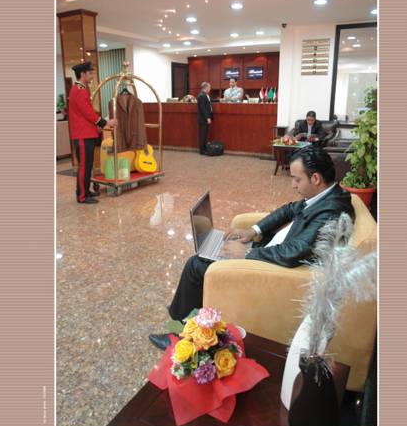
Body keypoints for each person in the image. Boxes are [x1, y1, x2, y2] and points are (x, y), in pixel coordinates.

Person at [149, 146, 355, 349]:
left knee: (196, 265)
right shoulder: (325, 196)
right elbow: (288, 210)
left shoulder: (330, 211)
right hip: (271, 250)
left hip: (275, 268)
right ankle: (186, 305)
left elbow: (295, 251)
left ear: (316, 178)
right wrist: (253, 231)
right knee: (216, 250)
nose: (293, 185)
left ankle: (179, 336)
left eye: (297, 179)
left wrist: (247, 253)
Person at [68, 62, 117, 204]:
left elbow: (85, 115)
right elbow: (88, 113)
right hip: (82, 135)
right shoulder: (79, 90)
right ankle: (82, 196)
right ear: (82, 74)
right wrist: (105, 122)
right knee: (84, 166)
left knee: (88, 165)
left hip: (86, 133)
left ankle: (86, 191)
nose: (92, 76)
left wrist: (97, 127)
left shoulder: (81, 89)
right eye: (90, 73)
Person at [197, 81, 213, 155]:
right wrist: (208, 118)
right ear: (205, 87)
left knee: (204, 134)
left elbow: (209, 102)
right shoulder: (201, 96)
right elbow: (203, 108)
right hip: (203, 119)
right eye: (209, 87)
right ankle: (202, 150)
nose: (210, 88)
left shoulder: (205, 95)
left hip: (204, 118)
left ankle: (204, 148)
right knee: (203, 135)